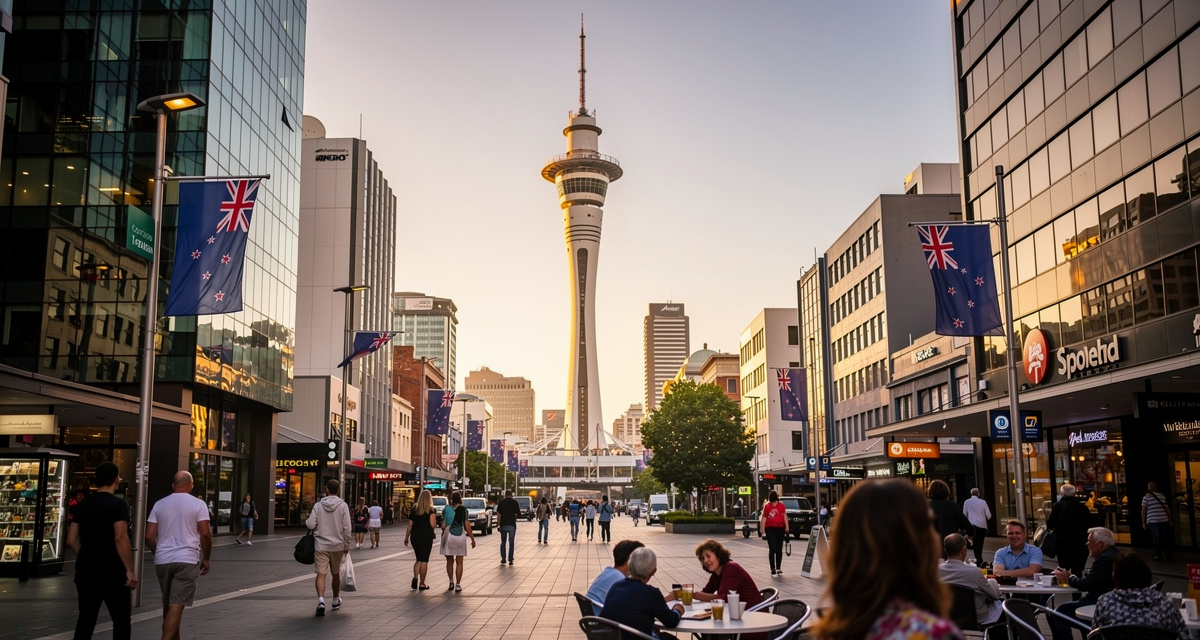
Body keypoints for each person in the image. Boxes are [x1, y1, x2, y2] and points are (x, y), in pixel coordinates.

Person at [813, 479, 962, 640]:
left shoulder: (830, 630)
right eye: (931, 523)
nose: (937, 534)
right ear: (913, 542)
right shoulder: (933, 633)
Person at [67, 461, 136, 640]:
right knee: (120, 619)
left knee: (86, 619)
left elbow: (71, 539)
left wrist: (86, 554)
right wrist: (129, 569)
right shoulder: (118, 505)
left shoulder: (82, 506)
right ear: (116, 480)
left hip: (87, 571)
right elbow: (120, 537)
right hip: (113, 571)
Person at [145, 470, 212, 640]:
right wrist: (206, 558)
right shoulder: (198, 504)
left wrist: (157, 551)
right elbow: (205, 534)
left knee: (168, 606)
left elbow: (149, 536)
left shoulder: (159, 504)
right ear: (191, 485)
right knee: (176, 606)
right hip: (186, 559)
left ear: (173, 485)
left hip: (163, 560)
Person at [1047, 527, 1120, 640]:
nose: (1086, 544)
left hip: (1097, 602)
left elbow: (1086, 584)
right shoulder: (1113, 554)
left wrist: (1069, 577)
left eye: (1090, 541)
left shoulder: (1104, 559)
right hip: (1105, 601)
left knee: (1059, 612)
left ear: (1101, 544)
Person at [1092, 552, 1187, 637]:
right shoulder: (1165, 604)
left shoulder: (1105, 602)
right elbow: (1183, 634)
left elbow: (1096, 634)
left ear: (1116, 578)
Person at [599, 547, 685, 639]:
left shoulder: (616, 586)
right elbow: (671, 621)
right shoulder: (651, 593)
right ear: (654, 570)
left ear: (629, 565)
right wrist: (678, 609)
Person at [305, 479, 351, 617]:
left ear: (326, 489)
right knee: (335, 573)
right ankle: (336, 600)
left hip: (321, 545)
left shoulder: (318, 506)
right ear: (337, 490)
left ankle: (320, 601)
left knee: (321, 573)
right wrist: (347, 544)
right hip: (337, 545)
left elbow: (311, 525)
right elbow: (347, 527)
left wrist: (309, 520)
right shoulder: (343, 506)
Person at [938, 533, 1002, 627]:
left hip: (947, 616)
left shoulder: (935, 571)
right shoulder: (974, 572)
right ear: (964, 551)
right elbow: (994, 595)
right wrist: (992, 582)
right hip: (976, 618)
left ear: (945, 550)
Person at [690, 538, 764, 615]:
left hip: (754, 614)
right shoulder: (716, 573)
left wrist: (694, 595)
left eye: (708, 556)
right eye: (702, 558)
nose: (705, 561)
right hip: (738, 614)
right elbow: (706, 592)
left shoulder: (731, 568)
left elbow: (722, 598)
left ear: (718, 556)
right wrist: (686, 594)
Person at [587, 539, 645, 614]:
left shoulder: (607, 572)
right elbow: (640, 606)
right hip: (606, 622)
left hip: (595, 620)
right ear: (629, 562)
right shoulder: (621, 581)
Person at [1046, 483, 1092, 576]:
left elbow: (1050, 524)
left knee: (1063, 568)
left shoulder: (1058, 506)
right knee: (1078, 569)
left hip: (1063, 543)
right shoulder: (1083, 507)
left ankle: (1064, 585)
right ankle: (1076, 585)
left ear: (1062, 493)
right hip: (1080, 543)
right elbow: (1090, 524)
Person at [441, 492, 476, 592]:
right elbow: (467, 525)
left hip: (448, 535)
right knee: (459, 562)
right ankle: (458, 584)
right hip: (459, 535)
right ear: (460, 499)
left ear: (451, 499)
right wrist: (472, 539)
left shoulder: (446, 509)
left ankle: (451, 581)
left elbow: (443, 524)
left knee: (449, 561)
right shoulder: (464, 510)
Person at [403, 489, 436, 590]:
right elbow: (433, 525)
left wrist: (406, 537)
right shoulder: (431, 510)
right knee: (424, 560)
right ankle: (422, 583)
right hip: (426, 537)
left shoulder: (415, 509)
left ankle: (415, 577)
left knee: (418, 559)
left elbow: (410, 525)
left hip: (415, 537)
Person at [929, 480, 972, 552]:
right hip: (950, 546)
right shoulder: (953, 506)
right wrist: (970, 533)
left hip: (931, 545)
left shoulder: (924, 506)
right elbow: (966, 525)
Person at [759, 491, 789, 576]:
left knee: (779, 548)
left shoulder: (781, 506)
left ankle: (778, 567)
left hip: (780, 528)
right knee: (773, 549)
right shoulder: (767, 506)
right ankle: (773, 568)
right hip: (770, 529)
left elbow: (784, 516)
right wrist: (763, 530)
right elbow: (764, 518)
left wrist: (787, 527)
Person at [1142, 481, 1173, 561]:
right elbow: (1167, 509)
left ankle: (1158, 554)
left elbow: (1144, 510)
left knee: (1157, 537)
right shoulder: (1162, 496)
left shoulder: (1146, 497)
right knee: (1165, 537)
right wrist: (1170, 519)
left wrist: (1143, 522)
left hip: (1153, 520)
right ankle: (1167, 553)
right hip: (1164, 519)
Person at [962, 488, 992, 567]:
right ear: (978, 494)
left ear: (971, 494)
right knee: (980, 543)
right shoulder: (983, 502)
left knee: (974, 542)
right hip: (982, 526)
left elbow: (964, 514)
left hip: (972, 526)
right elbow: (989, 516)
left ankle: (978, 559)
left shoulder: (967, 502)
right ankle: (979, 559)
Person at [497, 489, 520, 565]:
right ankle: (510, 559)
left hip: (503, 524)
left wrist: (498, 525)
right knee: (511, 542)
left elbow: (499, 515)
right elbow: (517, 514)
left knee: (503, 542)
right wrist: (514, 518)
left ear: (505, 495)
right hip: (512, 525)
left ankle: (503, 558)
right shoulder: (515, 503)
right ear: (511, 495)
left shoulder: (501, 502)